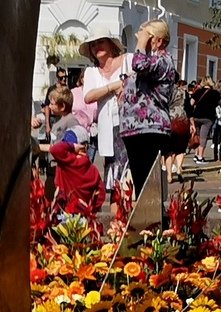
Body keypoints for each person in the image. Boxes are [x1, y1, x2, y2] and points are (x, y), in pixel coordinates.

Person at [118, 19, 179, 196]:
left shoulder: (164, 61)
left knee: (146, 184)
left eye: (146, 36)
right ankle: (145, 218)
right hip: (134, 128)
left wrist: (140, 44)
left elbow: (138, 64)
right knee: (139, 182)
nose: (141, 38)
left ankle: (152, 219)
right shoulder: (153, 61)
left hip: (149, 128)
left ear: (158, 40)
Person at [78, 36, 126, 189]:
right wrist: (113, 86)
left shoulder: (127, 61)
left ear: (111, 44)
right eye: (93, 44)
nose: (97, 46)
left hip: (131, 126)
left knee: (131, 179)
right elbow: (88, 96)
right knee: (113, 181)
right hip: (109, 130)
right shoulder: (91, 72)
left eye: (100, 42)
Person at [49, 135, 103, 215]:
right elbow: (101, 194)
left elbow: (55, 150)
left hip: (66, 214)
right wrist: (92, 210)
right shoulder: (93, 169)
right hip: (85, 214)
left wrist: (71, 146)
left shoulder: (68, 164)